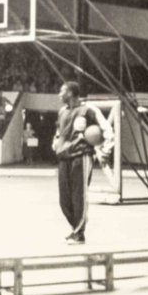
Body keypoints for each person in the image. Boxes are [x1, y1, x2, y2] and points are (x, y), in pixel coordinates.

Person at [53, 81, 114, 245]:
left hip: (82, 155)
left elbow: (108, 130)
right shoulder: (62, 111)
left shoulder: (89, 110)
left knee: (78, 196)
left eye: (62, 91)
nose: (59, 94)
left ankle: (79, 234)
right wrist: (56, 143)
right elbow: (59, 133)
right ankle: (76, 229)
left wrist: (105, 151)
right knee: (64, 200)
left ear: (71, 93)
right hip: (64, 157)